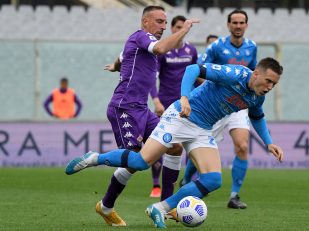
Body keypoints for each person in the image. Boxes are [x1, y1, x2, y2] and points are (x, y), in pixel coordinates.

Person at [65, 57, 284, 228]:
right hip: (181, 117)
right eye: (268, 81)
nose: (270, 87)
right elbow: (193, 69)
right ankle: (94, 158)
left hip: (201, 130)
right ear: (256, 73)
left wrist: (268, 143)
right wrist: (185, 97)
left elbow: (257, 116)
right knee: (142, 162)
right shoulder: (233, 74)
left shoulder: (257, 97)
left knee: (213, 180)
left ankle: (159, 208)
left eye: (274, 84)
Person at [95, 6, 198, 227]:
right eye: (159, 21)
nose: (162, 26)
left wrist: (115, 66)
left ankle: (164, 207)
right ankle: (104, 199)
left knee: (174, 147)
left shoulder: (142, 44)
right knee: (135, 160)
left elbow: (124, 55)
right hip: (124, 107)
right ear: (145, 22)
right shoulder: (143, 36)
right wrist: (184, 29)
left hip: (142, 109)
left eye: (164, 22)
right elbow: (160, 48)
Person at [180, 9, 257, 209]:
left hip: (239, 104)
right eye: (235, 23)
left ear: (246, 25)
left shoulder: (252, 47)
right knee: (200, 146)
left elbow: (255, 73)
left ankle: (234, 196)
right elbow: (199, 68)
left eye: (242, 23)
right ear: (228, 25)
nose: (238, 26)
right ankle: (187, 180)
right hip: (216, 104)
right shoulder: (216, 46)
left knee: (242, 146)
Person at [149, 15, 198, 200]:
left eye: (182, 27)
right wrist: (156, 101)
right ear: (172, 29)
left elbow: (195, 75)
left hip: (186, 104)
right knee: (162, 145)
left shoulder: (191, 50)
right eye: (176, 27)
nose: (179, 30)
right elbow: (152, 79)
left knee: (187, 144)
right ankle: (156, 184)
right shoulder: (163, 51)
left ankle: (186, 182)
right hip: (165, 104)